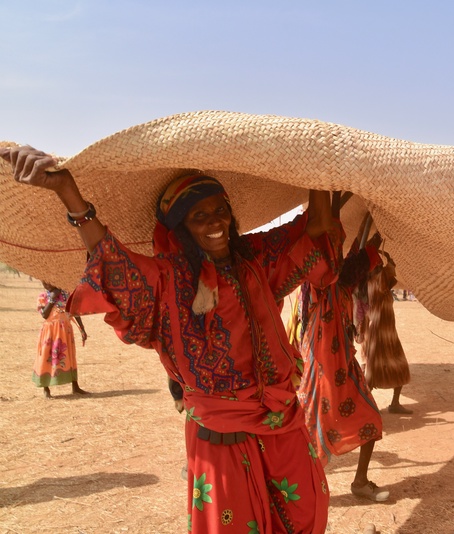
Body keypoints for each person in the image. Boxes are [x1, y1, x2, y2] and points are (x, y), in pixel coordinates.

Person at [2, 145, 340, 534]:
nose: (215, 222)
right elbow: (111, 262)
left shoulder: (257, 257)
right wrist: (68, 191)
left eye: (220, 210)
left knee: (308, 515)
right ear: (180, 228)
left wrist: (319, 169)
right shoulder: (168, 280)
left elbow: (316, 228)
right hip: (222, 437)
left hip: (284, 422)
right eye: (199, 216)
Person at [297, 227, 390, 502]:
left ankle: (360, 482)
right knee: (308, 435)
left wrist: (371, 232)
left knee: (371, 419)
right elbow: (335, 252)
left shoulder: (342, 288)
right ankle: (302, 491)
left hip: (344, 369)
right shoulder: (320, 287)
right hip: (321, 376)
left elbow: (352, 263)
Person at [361, 252, 413, 414]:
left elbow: (390, 274)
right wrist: (389, 260)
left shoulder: (372, 282)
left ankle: (380, 405)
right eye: (377, 264)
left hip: (384, 333)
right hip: (379, 334)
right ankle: (366, 407)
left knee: (388, 368)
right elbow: (390, 271)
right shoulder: (378, 281)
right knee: (375, 371)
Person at [34, 281, 88, 398]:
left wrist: (82, 329)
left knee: (69, 356)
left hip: (65, 331)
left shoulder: (67, 294)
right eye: (43, 283)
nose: (46, 285)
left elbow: (74, 312)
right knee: (46, 356)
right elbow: (44, 315)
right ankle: (45, 388)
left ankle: (75, 386)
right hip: (50, 331)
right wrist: (52, 298)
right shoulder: (43, 297)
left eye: (48, 282)